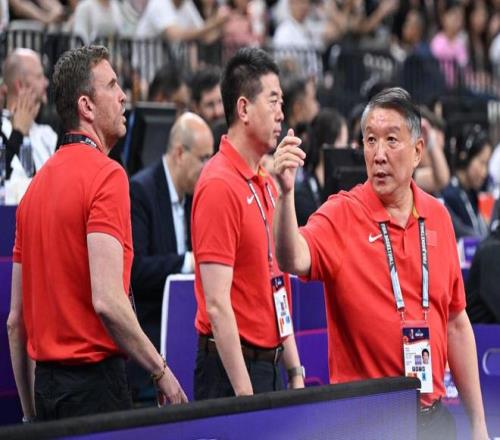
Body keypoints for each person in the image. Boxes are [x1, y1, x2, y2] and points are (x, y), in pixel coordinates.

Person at [273, 87, 488, 440]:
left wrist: (478, 424)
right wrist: (285, 197)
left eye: (391, 140)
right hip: (366, 424)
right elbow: (291, 257)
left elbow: (456, 323)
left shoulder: (438, 217)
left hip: (433, 420)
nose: (379, 154)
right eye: (371, 140)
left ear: (418, 151)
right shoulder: (342, 213)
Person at [7, 45, 187, 423]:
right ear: (86, 106)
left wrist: (29, 415)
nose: (123, 96)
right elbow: (107, 299)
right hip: (95, 389)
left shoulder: (32, 192)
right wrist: (160, 371)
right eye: (112, 85)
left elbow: (15, 322)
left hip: (46, 390)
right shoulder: (107, 176)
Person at [192, 47, 304, 400]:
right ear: (243, 109)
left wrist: (294, 370)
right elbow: (217, 304)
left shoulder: (267, 183)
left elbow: (277, 285)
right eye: (273, 101)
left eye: (282, 103)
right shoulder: (218, 184)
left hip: (270, 367)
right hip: (231, 374)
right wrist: (245, 395)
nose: (281, 113)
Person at [129, 111, 213, 403]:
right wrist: (188, 262)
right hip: (150, 341)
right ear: (179, 153)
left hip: (187, 335)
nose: (208, 167)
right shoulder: (141, 191)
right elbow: (136, 270)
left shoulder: (194, 196)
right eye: (203, 158)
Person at [1, 48, 58, 178]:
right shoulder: (3, 129)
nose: (46, 82)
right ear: (20, 85)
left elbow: (32, 176)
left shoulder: (47, 134)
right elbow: (3, 174)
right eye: (39, 76)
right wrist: (19, 133)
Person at [441, 125, 492, 241]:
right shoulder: (451, 196)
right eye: (482, 163)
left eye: (487, 165)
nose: (484, 173)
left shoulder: (472, 193)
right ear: (465, 158)